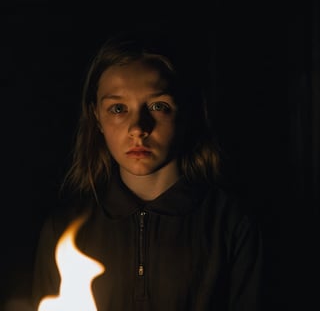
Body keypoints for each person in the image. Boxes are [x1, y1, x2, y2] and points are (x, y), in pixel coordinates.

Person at [30, 26, 263, 311]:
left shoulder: (230, 224)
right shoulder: (63, 228)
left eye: (158, 106)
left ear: (186, 111)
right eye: (118, 109)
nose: (138, 128)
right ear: (97, 118)